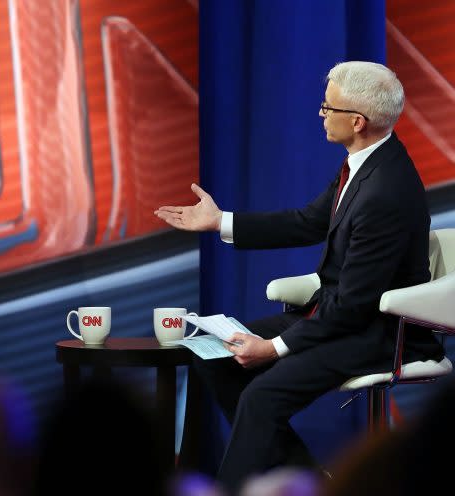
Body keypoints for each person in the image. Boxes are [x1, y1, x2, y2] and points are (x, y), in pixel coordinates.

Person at [155, 61, 444, 491]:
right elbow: (310, 221)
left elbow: (355, 306)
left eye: (329, 107)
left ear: (357, 121)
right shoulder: (365, 162)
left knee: (261, 397)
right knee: (212, 355)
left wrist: (273, 347)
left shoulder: (385, 192)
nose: (321, 114)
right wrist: (221, 222)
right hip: (338, 314)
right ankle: (310, 482)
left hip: (378, 332)